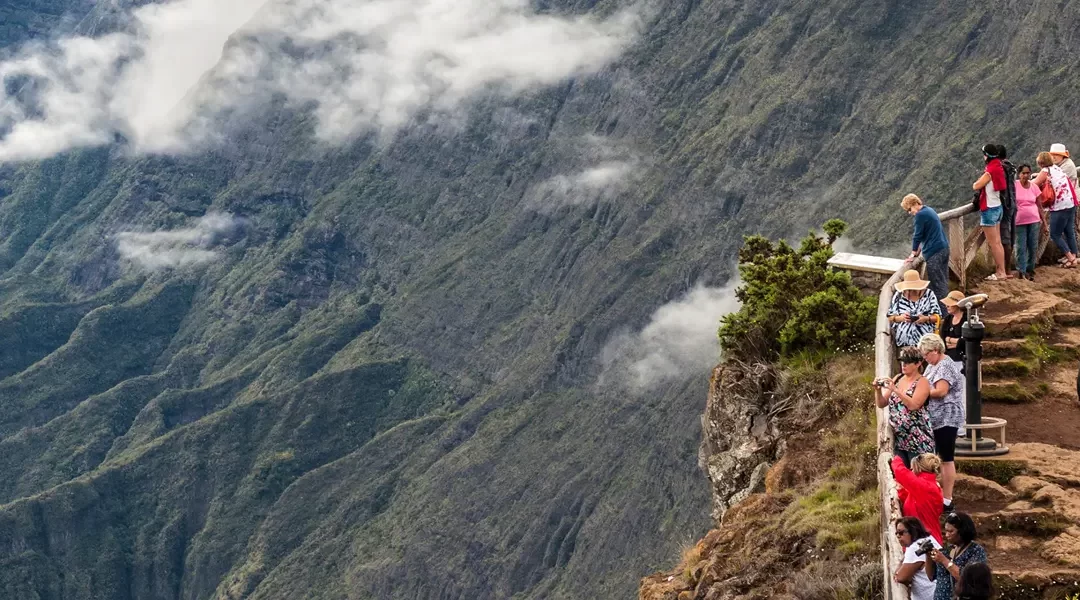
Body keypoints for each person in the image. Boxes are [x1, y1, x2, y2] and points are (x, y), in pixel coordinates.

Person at [919, 333, 964, 513]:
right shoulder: (933, 364)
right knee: (940, 455)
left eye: (926, 354)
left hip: (947, 415)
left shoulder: (945, 365)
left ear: (936, 350)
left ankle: (947, 498)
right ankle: (939, 493)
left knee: (946, 457)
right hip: (936, 416)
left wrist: (920, 392)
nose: (924, 358)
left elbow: (941, 391)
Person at [875, 346, 936, 466]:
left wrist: (896, 390)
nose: (904, 365)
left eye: (908, 362)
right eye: (902, 361)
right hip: (900, 440)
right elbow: (882, 403)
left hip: (918, 441)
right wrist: (877, 390)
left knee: (919, 478)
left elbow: (914, 405)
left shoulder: (922, 381)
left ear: (918, 363)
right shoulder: (898, 378)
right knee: (901, 477)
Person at [925, 512, 988, 600]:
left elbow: (968, 579)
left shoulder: (975, 551)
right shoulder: (948, 550)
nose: (947, 535)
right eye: (946, 531)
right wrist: (928, 555)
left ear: (962, 531)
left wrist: (944, 560)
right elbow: (931, 576)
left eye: (951, 531)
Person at [902, 194, 950, 306]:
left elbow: (917, 235)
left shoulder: (920, 215)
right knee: (943, 281)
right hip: (944, 249)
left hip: (934, 253)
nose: (910, 212)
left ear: (915, 204)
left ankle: (944, 314)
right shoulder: (929, 210)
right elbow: (925, 233)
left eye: (909, 209)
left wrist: (913, 254)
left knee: (937, 285)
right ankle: (947, 309)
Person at [1033, 151, 1079, 268]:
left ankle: (1070, 258)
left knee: (1055, 234)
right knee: (1069, 230)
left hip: (1060, 206)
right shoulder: (1057, 168)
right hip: (1071, 203)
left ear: (1040, 162)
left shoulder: (1045, 171)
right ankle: (1074, 254)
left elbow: (1034, 184)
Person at [973, 144, 1010, 280]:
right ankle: (1002, 270)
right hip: (998, 206)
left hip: (989, 209)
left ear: (986, 155)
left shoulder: (990, 171)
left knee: (993, 243)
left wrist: (980, 179)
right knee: (998, 242)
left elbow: (976, 185)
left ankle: (1001, 272)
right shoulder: (998, 167)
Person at [891, 453, 944, 543]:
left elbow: (900, 472)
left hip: (925, 541)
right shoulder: (930, 485)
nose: (911, 471)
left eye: (912, 468)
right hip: (926, 538)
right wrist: (902, 492)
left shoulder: (923, 485)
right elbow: (915, 502)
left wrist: (896, 458)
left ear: (918, 468)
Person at [887, 270, 941, 348]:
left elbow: (938, 317)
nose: (911, 290)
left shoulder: (929, 294)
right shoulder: (899, 295)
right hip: (904, 343)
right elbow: (890, 317)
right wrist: (901, 318)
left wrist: (926, 318)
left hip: (925, 343)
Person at [894, 517, 941, 600]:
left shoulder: (914, 548)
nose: (898, 536)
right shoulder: (928, 539)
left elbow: (900, 577)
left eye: (901, 533)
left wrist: (898, 569)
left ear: (912, 531)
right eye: (896, 533)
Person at [1013, 163, 1042, 280]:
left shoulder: (1034, 187)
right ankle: (1021, 270)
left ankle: (1030, 268)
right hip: (1019, 221)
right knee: (1020, 246)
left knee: (1033, 245)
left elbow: (1039, 205)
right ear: (1019, 174)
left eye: (1027, 173)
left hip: (1034, 220)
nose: (1025, 175)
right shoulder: (1014, 186)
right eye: (1023, 173)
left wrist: (1044, 222)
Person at [939, 291, 967, 364]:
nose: (946, 306)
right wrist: (956, 341)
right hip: (948, 359)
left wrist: (950, 339)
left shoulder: (967, 320)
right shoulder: (947, 319)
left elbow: (968, 342)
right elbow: (943, 339)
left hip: (964, 359)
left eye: (950, 304)